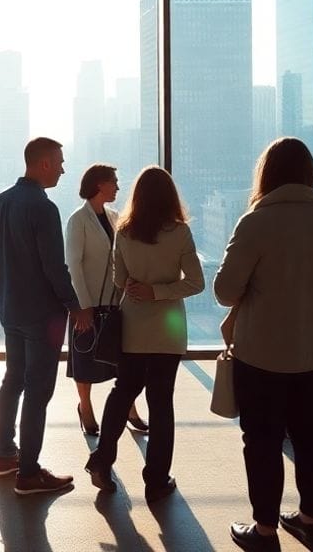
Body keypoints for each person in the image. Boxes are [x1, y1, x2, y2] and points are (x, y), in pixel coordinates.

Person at [214, 138, 313, 552]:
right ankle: (309, 521)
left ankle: (264, 532)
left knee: (261, 441)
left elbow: (225, 291)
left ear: (267, 174)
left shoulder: (255, 223)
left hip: (259, 354)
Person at [84, 166, 203, 503]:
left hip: (132, 326)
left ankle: (102, 460)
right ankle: (156, 479)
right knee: (161, 403)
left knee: (123, 391)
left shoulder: (123, 231)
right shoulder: (180, 233)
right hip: (167, 328)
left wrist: (143, 287)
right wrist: (160, 291)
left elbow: (119, 280)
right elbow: (196, 282)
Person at [0, 137, 94, 495]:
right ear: (44, 163)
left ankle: (4, 456)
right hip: (41, 316)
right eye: (60, 162)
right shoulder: (43, 208)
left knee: (13, 379)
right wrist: (75, 305)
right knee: (37, 391)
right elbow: (54, 267)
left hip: (9, 308)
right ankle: (29, 474)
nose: (64, 169)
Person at [64, 164, 147, 437]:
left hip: (114, 301)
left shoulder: (114, 217)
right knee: (85, 356)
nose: (118, 187)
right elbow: (73, 265)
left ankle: (129, 409)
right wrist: (83, 306)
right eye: (114, 182)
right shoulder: (78, 220)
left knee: (121, 361)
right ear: (99, 184)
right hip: (88, 303)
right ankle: (85, 407)